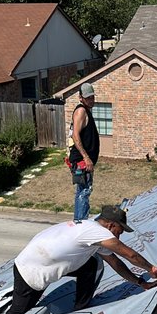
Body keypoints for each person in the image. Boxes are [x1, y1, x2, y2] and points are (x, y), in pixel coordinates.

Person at [0, 205, 157, 314]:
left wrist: (141, 282)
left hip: (41, 260)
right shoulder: (96, 232)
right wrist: (151, 268)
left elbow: (116, 263)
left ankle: (80, 309)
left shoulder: (89, 228)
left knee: (91, 265)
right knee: (20, 312)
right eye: (119, 231)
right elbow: (128, 254)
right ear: (111, 225)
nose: (119, 236)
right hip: (31, 270)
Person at [68, 82, 99, 222]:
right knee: (84, 191)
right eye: (88, 98)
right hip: (81, 161)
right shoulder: (81, 111)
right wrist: (86, 158)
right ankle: (80, 223)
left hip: (84, 161)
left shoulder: (87, 110)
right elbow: (75, 135)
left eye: (92, 97)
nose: (91, 100)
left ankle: (80, 220)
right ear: (80, 98)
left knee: (83, 190)